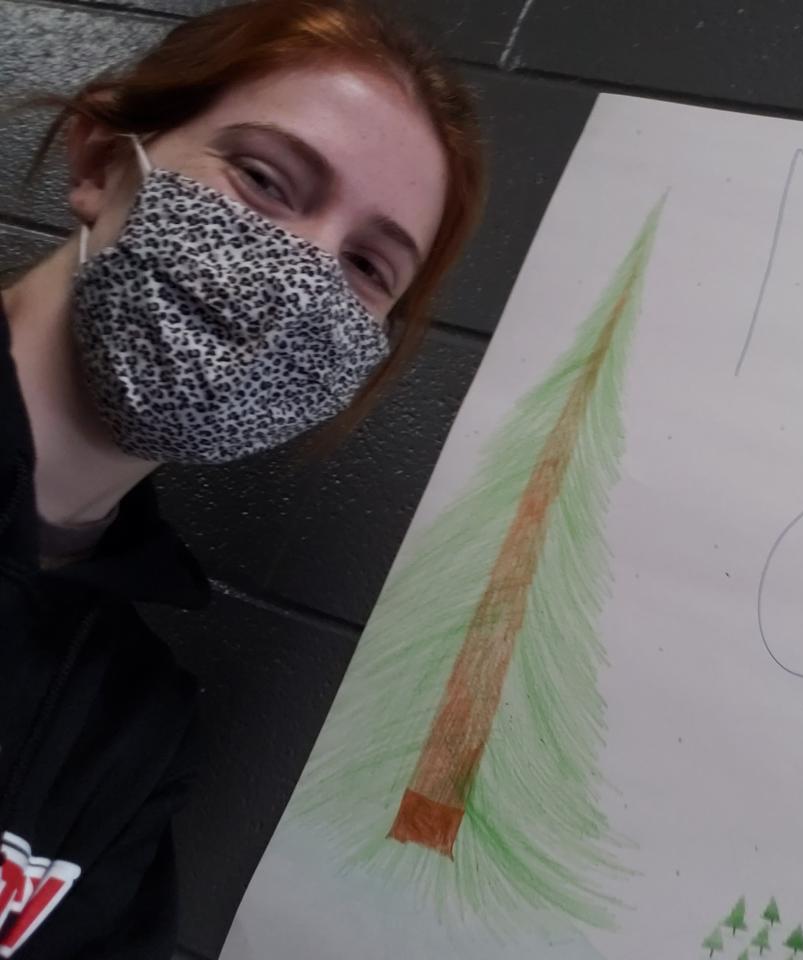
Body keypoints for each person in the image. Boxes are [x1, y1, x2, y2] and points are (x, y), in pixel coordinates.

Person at [0, 0, 484, 954]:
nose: (302, 276)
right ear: (98, 162)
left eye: (367, 265)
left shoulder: (131, 719)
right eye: (265, 179)